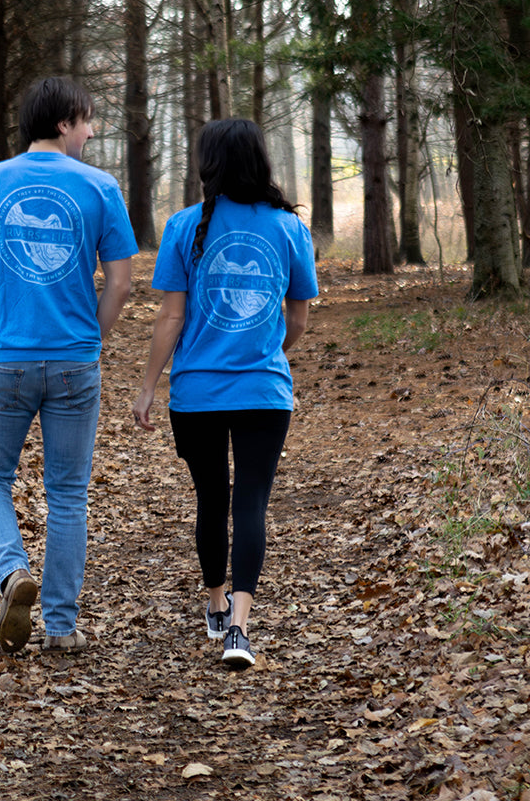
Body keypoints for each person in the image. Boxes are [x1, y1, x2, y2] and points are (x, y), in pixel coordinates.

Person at [0, 76, 137, 654]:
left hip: (6, 358)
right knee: (68, 492)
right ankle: (60, 627)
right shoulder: (101, 187)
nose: (91, 130)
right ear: (63, 124)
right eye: (86, 120)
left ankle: (11, 573)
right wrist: (90, 338)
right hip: (75, 362)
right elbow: (123, 282)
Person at [132, 118, 317, 670]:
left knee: (211, 498)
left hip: (196, 393)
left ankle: (214, 607)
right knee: (251, 501)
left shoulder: (184, 227)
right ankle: (240, 628)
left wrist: (147, 386)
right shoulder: (288, 228)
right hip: (265, 391)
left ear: (208, 164)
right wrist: (263, 354)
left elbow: (170, 317)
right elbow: (300, 319)